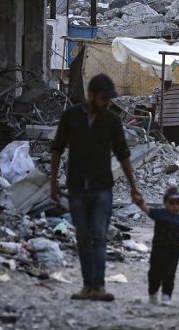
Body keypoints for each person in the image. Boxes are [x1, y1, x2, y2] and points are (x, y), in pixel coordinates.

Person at [51, 74, 144, 302]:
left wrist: (134, 187)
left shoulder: (111, 120)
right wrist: (53, 182)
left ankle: (99, 286)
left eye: (109, 99)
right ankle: (87, 286)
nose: (107, 103)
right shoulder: (71, 117)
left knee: (99, 236)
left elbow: (123, 154)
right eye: (104, 98)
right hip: (76, 187)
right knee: (83, 236)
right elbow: (57, 149)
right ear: (90, 95)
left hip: (102, 186)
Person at [138, 186, 179, 306]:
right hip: (158, 249)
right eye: (171, 202)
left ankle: (166, 295)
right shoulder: (160, 214)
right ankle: (153, 293)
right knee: (154, 273)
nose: (175, 206)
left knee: (169, 273)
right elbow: (147, 210)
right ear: (165, 203)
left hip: (173, 252)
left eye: (178, 202)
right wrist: (140, 203)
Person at [152, 68, 179, 146]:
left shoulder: (178, 87)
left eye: (169, 81)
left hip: (173, 123)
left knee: (172, 145)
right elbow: (153, 107)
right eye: (166, 81)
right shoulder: (157, 89)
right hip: (164, 123)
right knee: (167, 146)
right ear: (161, 79)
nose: (168, 83)